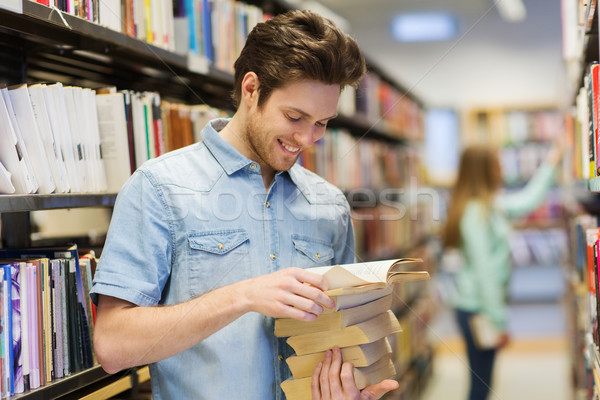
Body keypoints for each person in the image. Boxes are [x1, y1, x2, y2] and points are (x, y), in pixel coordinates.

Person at [90, 9, 398, 400]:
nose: (307, 138)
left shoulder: (329, 205)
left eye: (322, 123)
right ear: (251, 89)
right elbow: (113, 348)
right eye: (295, 116)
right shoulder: (159, 187)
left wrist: (351, 387)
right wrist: (242, 296)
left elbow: (343, 337)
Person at [443, 141, 563, 400]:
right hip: (478, 310)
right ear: (484, 169)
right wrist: (498, 322)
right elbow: (485, 273)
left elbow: (526, 201)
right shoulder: (476, 213)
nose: (502, 168)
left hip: (479, 307)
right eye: (497, 163)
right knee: (480, 386)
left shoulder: (488, 206)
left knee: (482, 382)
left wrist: (552, 162)